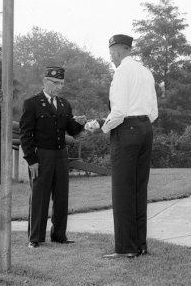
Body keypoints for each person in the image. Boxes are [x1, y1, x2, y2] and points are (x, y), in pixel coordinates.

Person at [101, 34, 158, 259]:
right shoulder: (145, 71)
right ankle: (140, 244)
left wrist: (104, 128)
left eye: (111, 53)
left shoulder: (122, 71)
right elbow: (154, 111)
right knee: (138, 189)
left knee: (123, 190)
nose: (111, 58)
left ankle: (126, 247)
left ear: (117, 50)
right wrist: (141, 126)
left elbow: (119, 111)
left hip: (126, 130)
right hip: (146, 128)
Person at [19, 67, 86, 248]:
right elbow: (25, 135)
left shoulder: (64, 104)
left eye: (62, 83)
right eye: (56, 83)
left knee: (61, 196)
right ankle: (35, 238)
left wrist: (81, 124)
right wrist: (31, 160)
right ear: (45, 82)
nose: (59, 87)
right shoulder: (31, 103)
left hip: (61, 155)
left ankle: (59, 235)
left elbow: (71, 130)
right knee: (39, 197)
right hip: (41, 155)